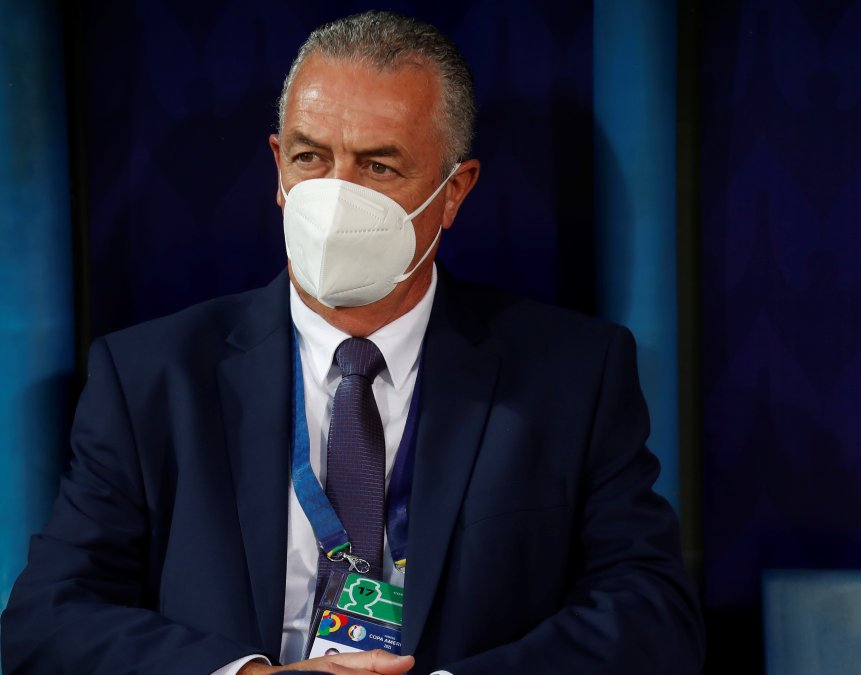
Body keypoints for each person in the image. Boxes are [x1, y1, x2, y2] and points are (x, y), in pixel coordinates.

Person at [0, 11, 704, 675]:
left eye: (378, 166)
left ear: (454, 190)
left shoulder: (571, 376)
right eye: (310, 156)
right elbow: (45, 620)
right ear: (277, 167)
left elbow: (652, 611)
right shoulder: (150, 377)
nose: (334, 199)